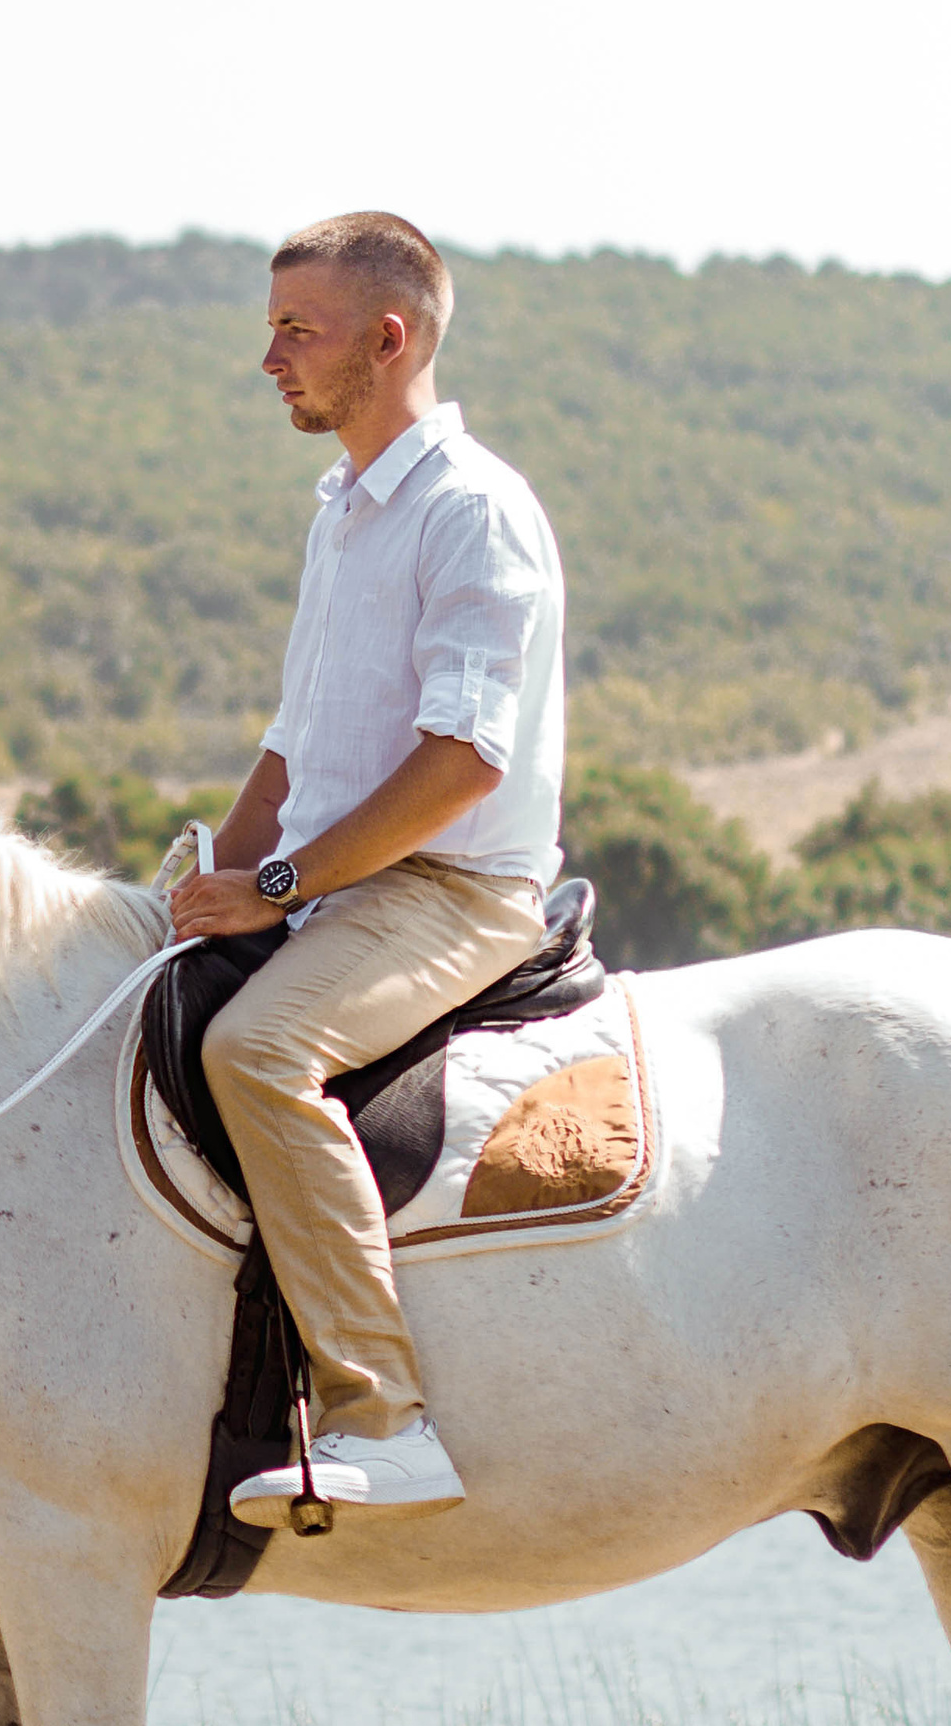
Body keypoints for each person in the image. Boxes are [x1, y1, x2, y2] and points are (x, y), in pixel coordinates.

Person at [168, 212, 566, 1528]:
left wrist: (276, 892)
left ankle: (385, 1419)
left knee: (257, 1051)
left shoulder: (471, 511)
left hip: (453, 894)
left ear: (388, 341)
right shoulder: (340, 511)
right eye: (271, 327)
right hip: (337, 887)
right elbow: (295, 748)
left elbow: (462, 763)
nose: (269, 357)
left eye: (299, 330)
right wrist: (203, 889)